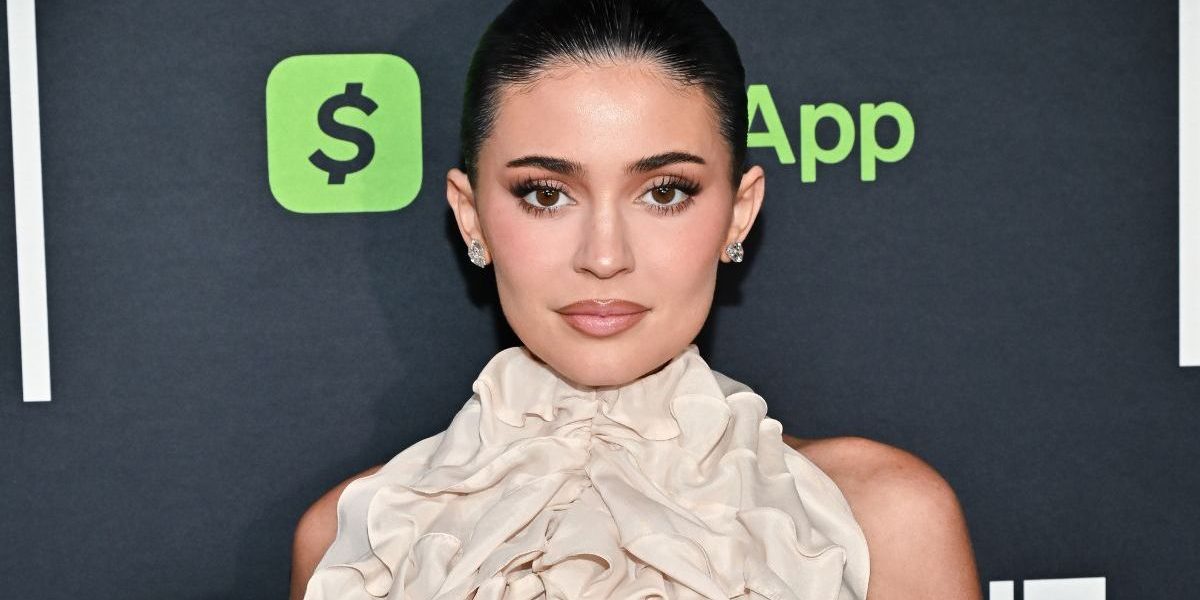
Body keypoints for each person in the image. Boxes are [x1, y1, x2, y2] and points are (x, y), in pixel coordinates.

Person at [290, 0, 981, 598]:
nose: (604, 257)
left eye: (664, 191)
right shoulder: (357, 542)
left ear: (738, 213)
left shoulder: (882, 521)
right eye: (546, 194)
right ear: (471, 217)